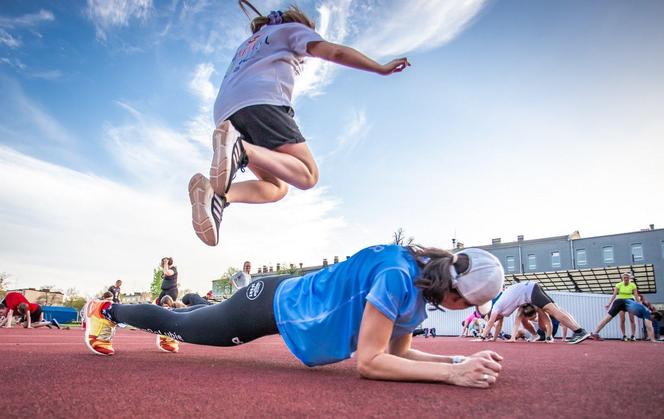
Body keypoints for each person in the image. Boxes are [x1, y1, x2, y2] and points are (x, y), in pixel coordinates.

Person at [83, 244, 505, 388]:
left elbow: (400, 354)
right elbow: (372, 363)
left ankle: (185, 309)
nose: (465, 311)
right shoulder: (398, 275)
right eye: (466, 304)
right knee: (183, 325)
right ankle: (106, 311)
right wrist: (452, 376)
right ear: (453, 291)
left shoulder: (420, 283)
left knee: (195, 319)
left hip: (279, 298)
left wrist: (457, 362)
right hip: (267, 305)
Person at [188, 2, 411, 246]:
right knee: (307, 174)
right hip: (261, 100)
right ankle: (241, 149)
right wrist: (379, 68)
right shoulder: (291, 30)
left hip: (224, 113)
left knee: (276, 187)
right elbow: (334, 52)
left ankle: (218, 196)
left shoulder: (248, 45)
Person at [481, 281, 591, 344]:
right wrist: (495, 338)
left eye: (493, 318)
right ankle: (579, 331)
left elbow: (490, 323)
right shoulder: (501, 311)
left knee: (552, 311)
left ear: (492, 314)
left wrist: (482, 337)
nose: (495, 320)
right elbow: (500, 324)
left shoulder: (496, 307)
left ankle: (579, 331)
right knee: (556, 309)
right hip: (531, 287)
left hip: (529, 291)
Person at [592, 299, 662, 342]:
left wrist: (650, 337)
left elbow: (649, 327)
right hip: (621, 303)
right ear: (654, 316)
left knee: (608, 319)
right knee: (608, 318)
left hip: (623, 305)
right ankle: (595, 333)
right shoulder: (648, 313)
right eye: (654, 319)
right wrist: (653, 339)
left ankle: (595, 333)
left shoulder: (648, 313)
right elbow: (649, 327)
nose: (652, 320)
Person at [604, 272, 640, 341]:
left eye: (627, 277)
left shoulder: (633, 285)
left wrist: (639, 304)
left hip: (630, 301)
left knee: (632, 319)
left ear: (629, 278)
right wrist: (609, 304)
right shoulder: (618, 285)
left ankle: (633, 335)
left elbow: (636, 295)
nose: (626, 279)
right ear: (622, 278)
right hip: (621, 302)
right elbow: (614, 295)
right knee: (622, 319)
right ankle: (624, 335)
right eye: (624, 277)